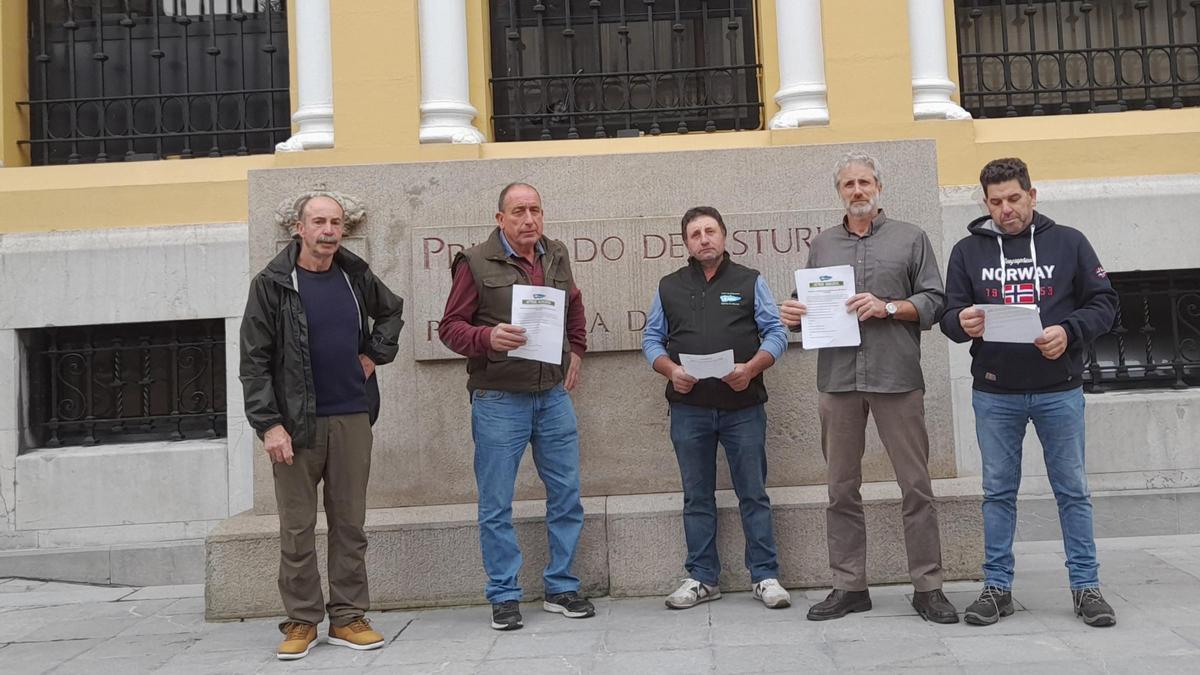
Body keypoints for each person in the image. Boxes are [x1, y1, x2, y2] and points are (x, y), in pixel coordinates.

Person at [940, 157, 1119, 627]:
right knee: (997, 492)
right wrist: (961, 321)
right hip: (995, 392)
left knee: (1072, 491)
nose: (1006, 209)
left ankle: (1086, 587)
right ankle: (996, 588)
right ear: (985, 203)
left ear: (1032, 196)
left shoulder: (1069, 242)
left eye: (1014, 199)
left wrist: (1069, 331)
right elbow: (948, 316)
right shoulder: (967, 251)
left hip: (1059, 389)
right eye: (996, 202)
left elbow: (1105, 302)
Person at [780, 152, 958, 624]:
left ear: (879, 186)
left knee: (916, 486)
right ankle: (849, 585)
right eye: (848, 184)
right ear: (838, 191)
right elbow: (808, 303)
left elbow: (935, 301)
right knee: (840, 488)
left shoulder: (911, 238)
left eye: (864, 182)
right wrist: (793, 312)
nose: (857, 191)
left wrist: (888, 307)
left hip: (896, 377)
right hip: (838, 380)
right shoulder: (822, 244)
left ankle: (928, 587)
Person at [240, 191, 405, 660]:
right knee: (297, 527)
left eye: (335, 223)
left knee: (349, 523)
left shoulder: (355, 275)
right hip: (295, 423)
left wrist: (373, 354)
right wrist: (269, 425)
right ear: (300, 228)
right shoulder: (272, 283)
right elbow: (253, 361)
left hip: (352, 414)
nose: (329, 231)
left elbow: (391, 311)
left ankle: (348, 617)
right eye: (319, 222)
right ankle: (301, 620)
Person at [438, 183, 594, 631]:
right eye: (519, 211)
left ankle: (561, 587)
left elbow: (573, 303)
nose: (529, 219)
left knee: (566, 495)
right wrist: (487, 337)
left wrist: (577, 349)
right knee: (496, 503)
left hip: (552, 397)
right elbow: (450, 328)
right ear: (500, 218)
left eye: (535, 210)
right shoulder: (474, 261)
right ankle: (504, 595)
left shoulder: (556, 253)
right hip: (498, 399)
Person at [642, 206, 792, 611]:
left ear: (724, 236)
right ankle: (702, 578)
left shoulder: (749, 280)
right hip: (689, 409)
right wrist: (671, 371)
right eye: (695, 234)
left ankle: (765, 576)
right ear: (685, 243)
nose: (704, 239)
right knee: (696, 497)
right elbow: (651, 339)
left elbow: (776, 332)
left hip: (743, 406)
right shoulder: (669, 286)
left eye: (710, 231)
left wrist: (752, 369)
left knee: (753, 493)